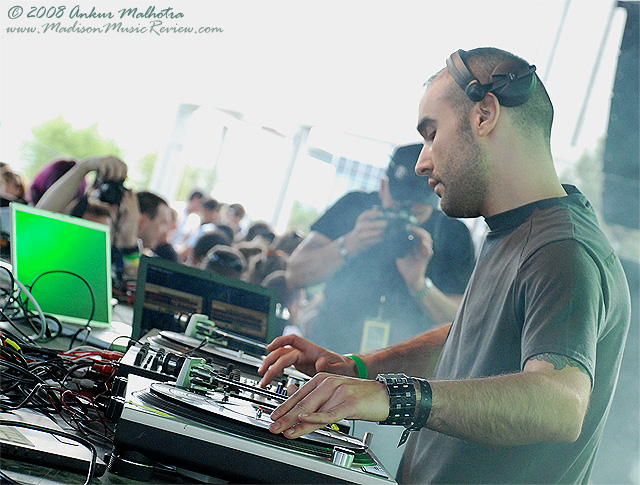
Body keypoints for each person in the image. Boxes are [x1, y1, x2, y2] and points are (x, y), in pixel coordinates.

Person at [259, 47, 631, 484]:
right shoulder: (514, 232)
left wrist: (394, 397)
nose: (422, 161)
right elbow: (468, 341)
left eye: (432, 134)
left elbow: (560, 403)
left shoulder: (562, 248)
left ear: (485, 115)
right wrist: (357, 369)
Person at [286, 143, 476, 355]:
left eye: (417, 210)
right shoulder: (353, 206)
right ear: (384, 186)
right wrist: (350, 243)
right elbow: (295, 274)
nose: (405, 215)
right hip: (329, 350)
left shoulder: (452, 234)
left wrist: (420, 285)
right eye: (398, 205)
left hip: (402, 366)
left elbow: (463, 321)